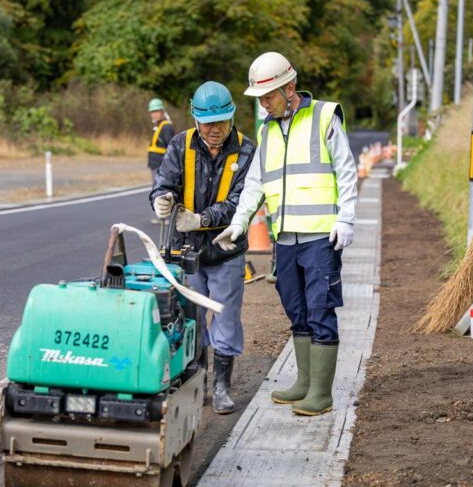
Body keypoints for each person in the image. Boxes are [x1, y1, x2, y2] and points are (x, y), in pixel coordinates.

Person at [214, 52, 357, 417]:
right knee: (296, 310)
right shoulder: (268, 129)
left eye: (268, 96)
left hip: (321, 237)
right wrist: (240, 221)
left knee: (320, 308)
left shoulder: (324, 117)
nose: (263, 104)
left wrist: (346, 219)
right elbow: (256, 182)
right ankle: (305, 384)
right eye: (260, 98)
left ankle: (321, 394)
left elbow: (347, 170)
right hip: (285, 239)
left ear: (289, 88)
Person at [150, 81, 256, 415]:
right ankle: (199, 379)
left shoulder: (247, 150)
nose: (215, 130)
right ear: (196, 119)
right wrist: (161, 201)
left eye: (222, 122)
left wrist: (201, 219)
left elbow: (241, 202)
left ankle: (222, 386)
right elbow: (163, 184)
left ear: (232, 116)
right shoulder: (180, 145)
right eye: (209, 123)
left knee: (224, 317)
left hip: (226, 252)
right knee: (192, 319)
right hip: (186, 254)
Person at [147, 98, 175, 185]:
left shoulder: (166, 128)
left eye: (157, 111)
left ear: (162, 111)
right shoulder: (159, 127)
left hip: (161, 166)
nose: (154, 114)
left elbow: (171, 150)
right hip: (156, 165)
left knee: (159, 192)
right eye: (152, 112)